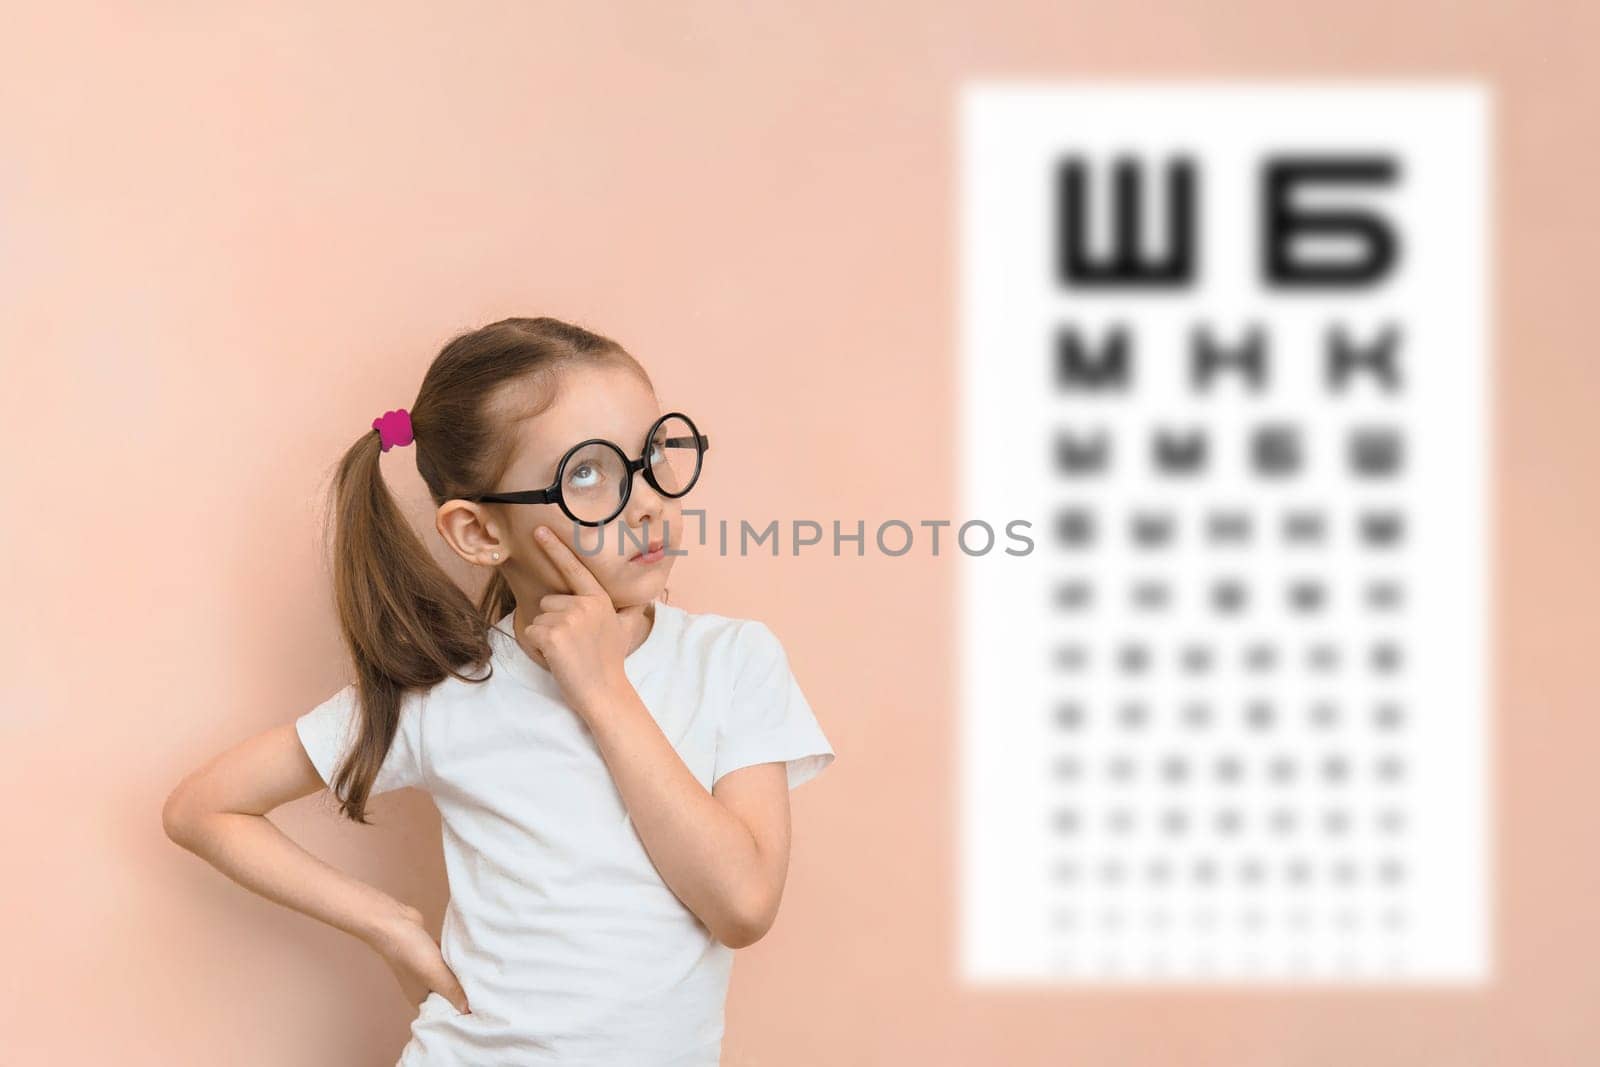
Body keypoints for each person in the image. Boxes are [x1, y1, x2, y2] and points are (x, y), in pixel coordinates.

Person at [162, 316, 836, 1065]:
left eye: (649, 456)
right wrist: (385, 920)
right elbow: (202, 808)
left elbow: (741, 903)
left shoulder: (732, 662)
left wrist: (603, 689)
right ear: (481, 534)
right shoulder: (448, 693)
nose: (646, 501)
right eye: (587, 472)